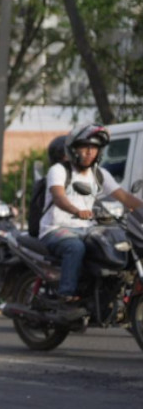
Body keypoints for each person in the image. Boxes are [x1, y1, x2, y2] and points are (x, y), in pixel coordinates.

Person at [39, 124, 143, 304]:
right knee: (75, 247)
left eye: (94, 148)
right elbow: (59, 197)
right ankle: (66, 294)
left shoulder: (99, 174)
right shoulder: (59, 170)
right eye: (84, 147)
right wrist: (77, 211)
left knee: (118, 244)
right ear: (73, 149)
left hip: (87, 229)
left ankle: (103, 294)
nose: (89, 152)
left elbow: (124, 197)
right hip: (56, 228)